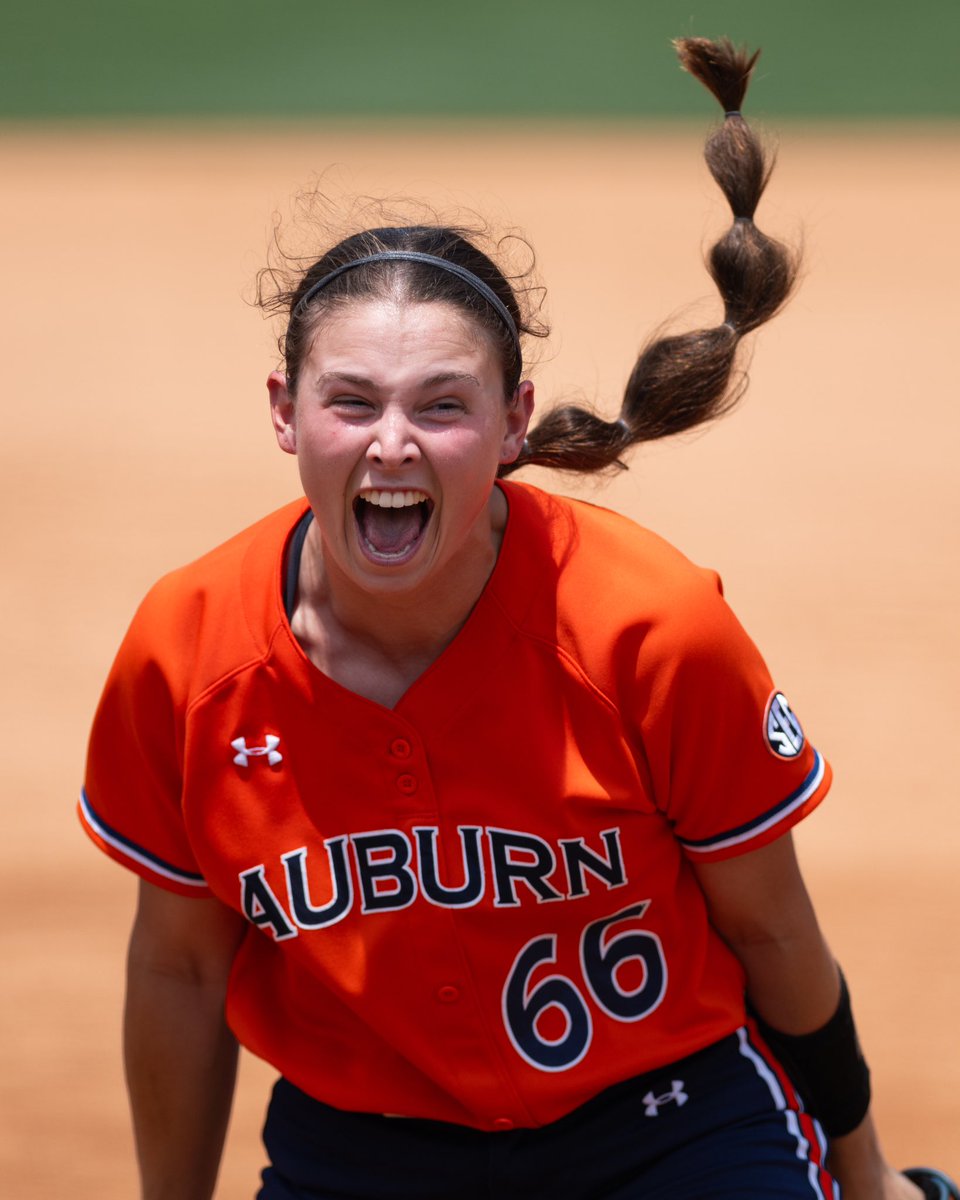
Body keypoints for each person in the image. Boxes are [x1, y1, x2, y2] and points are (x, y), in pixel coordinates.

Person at [78, 38, 955, 1200]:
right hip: (361, 1147)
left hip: (671, 1124)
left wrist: (868, 1169)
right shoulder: (187, 650)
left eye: (444, 405)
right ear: (287, 414)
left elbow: (775, 933)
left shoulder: (648, 626)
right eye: (352, 401)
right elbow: (182, 971)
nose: (392, 442)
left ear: (513, 423)